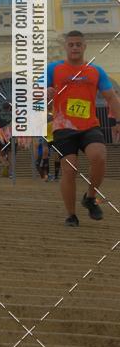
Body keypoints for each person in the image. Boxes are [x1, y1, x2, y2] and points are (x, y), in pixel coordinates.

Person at [47, 30, 120, 227]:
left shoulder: (95, 71)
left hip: (89, 125)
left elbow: (111, 97)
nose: (75, 48)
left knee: (100, 156)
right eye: (71, 44)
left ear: (85, 46)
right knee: (69, 169)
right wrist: (45, 94)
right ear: (66, 47)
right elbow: (35, 98)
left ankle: (90, 197)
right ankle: (71, 215)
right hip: (63, 127)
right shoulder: (53, 69)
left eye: (78, 44)